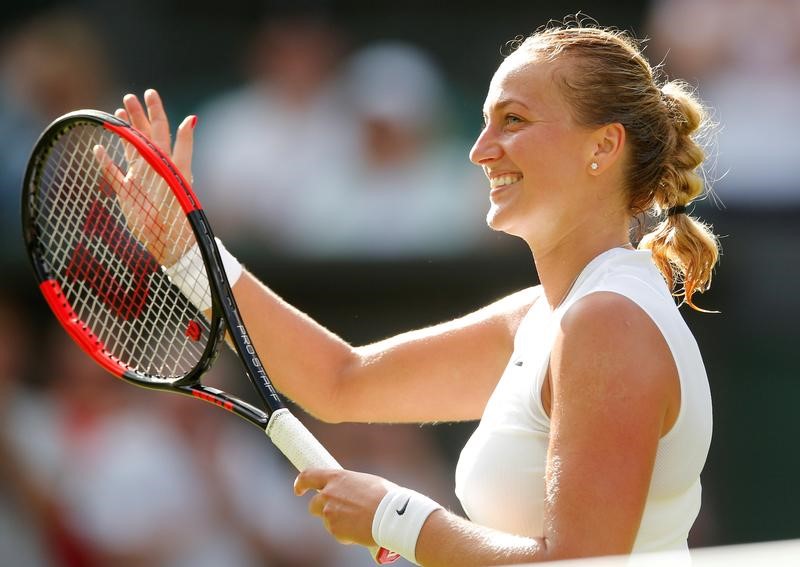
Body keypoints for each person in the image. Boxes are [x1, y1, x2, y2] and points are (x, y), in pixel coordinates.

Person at [113, 17, 720, 565]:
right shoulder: (550, 318)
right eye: (484, 123)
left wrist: (394, 518)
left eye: (513, 120)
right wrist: (187, 252)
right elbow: (339, 381)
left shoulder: (605, 321)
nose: (481, 150)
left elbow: (578, 564)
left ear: (603, 146)